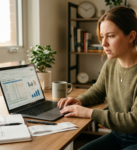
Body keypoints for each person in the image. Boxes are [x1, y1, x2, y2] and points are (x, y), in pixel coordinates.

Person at [58, 6, 137, 150]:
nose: (103, 43)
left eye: (111, 36)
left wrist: (89, 113)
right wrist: (80, 100)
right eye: (102, 36)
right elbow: (98, 91)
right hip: (117, 135)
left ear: (131, 36)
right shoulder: (111, 62)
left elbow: (134, 121)